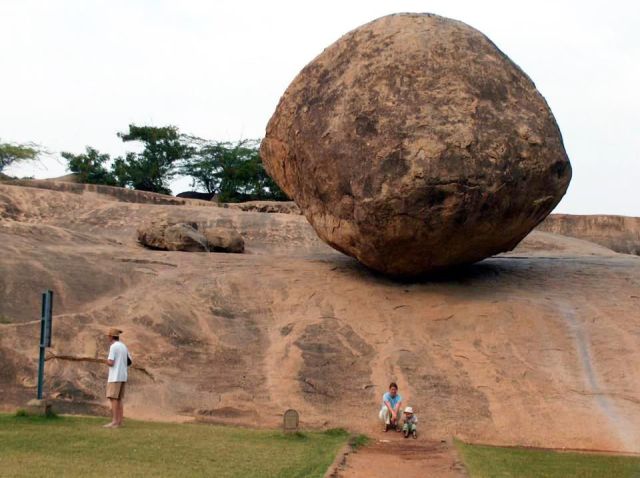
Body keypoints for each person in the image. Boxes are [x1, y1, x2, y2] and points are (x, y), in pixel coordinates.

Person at [103, 327, 131, 428]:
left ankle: (114, 421)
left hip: (115, 376)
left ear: (111, 336)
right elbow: (129, 361)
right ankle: (119, 421)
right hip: (123, 375)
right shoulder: (124, 346)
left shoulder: (113, 347)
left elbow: (111, 362)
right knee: (119, 399)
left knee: (113, 398)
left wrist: (105, 361)